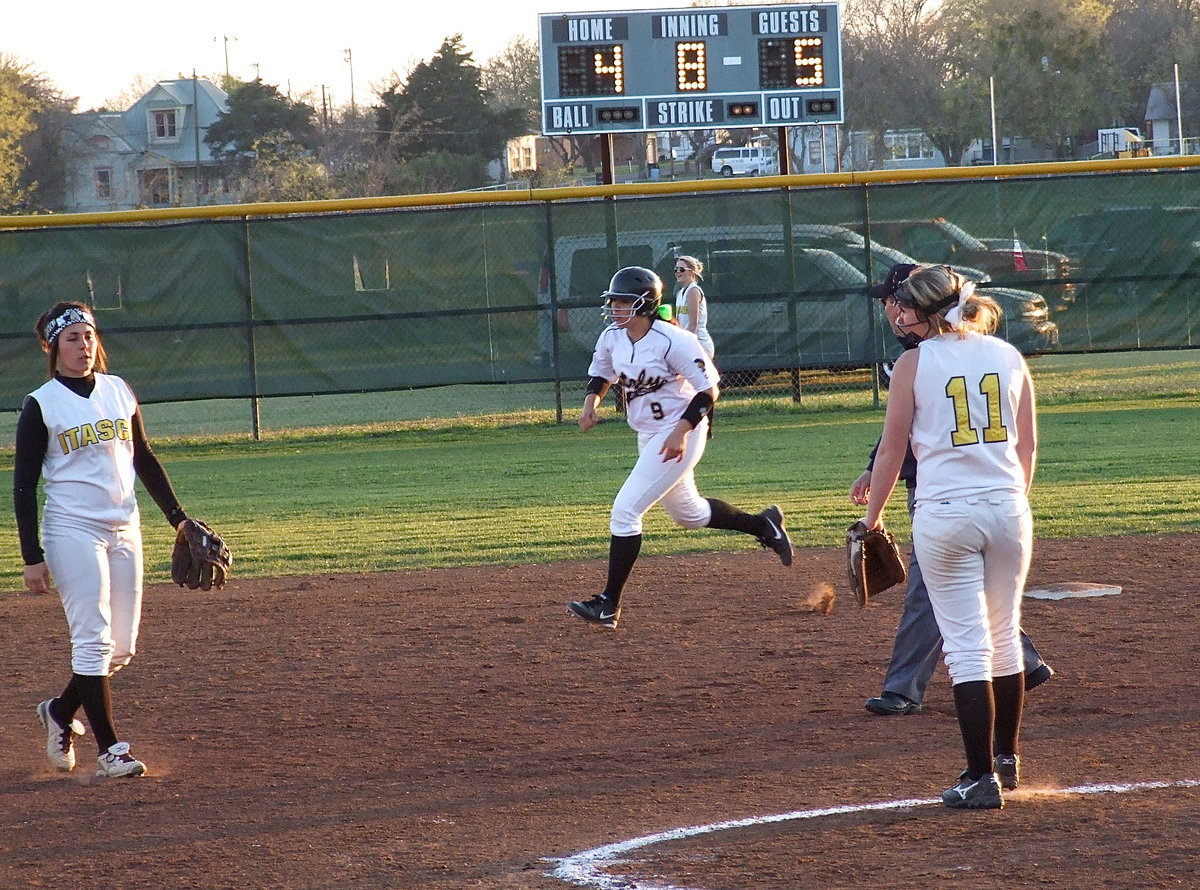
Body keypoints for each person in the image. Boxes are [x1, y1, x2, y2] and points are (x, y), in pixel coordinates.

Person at [862, 264, 1039, 810]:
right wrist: (1012, 501)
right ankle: (1006, 763)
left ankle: (978, 777)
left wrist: (870, 520)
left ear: (929, 311)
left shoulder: (913, 363)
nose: (902, 314)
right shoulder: (1008, 355)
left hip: (945, 513)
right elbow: (1027, 447)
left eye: (909, 306)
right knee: (1005, 636)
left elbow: (894, 451)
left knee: (967, 649)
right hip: (1009, 508)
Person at [13, 302, 207, 778]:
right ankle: (110, 751)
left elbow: (143, 457)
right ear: (52, 346)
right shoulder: (42, 404)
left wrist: (178, 520)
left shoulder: (119, 391)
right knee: (93, 639)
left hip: (124, 525)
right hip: (71, 529)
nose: (84, 346)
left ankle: (60, 711)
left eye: (89, 335)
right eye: (72, 338)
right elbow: (22, 485)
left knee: (121, 648)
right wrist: (31, 557)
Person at [567, 267, 792, 630]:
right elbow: (602, 373)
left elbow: (708, 391)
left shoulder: (674, 340)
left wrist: (682, 432)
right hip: (648, 433)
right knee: (689, 513)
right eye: (614, 301)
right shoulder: (613, 336)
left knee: (625, 511)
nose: (616, 307)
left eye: (623, 301)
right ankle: (764, 526)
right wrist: (590, 403)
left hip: (679, 432)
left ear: (645, 303)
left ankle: (608, 605)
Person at [672, 255, 715, 358]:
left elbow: (693, 324)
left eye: (682, 269)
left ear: (691, 272)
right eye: (676, 269)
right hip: (687, 343)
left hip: (699, 344)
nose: (678, 272)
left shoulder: (693, 291)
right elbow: (679, 323)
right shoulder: (680, 293)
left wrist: (687, 346)